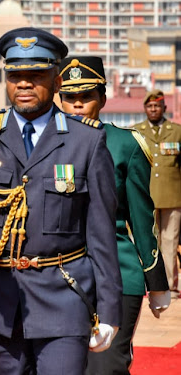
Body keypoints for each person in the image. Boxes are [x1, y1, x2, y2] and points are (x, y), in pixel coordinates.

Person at [0, 27, 122, 375]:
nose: (24, 83)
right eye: (15, 75)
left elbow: (101, 234)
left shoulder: (86, 140)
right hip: (0, 302)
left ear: (56, 81)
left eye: (35, 74)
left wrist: (109, 311)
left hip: (63, 297)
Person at [58, 56, 170, 374]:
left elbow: (141, 218)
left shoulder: (125, 145)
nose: (78, 104)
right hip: (55, 274)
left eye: (87, 96)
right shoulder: (42, 145)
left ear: (103, 99)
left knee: (106, 366)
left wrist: (156, 281)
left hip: (118, 273)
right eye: (70, 97)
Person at [134, 89, 181, 298]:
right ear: (145, 109)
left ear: (164, 108)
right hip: (145, 196)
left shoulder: (177, 131)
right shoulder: (137, 131)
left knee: (170, 241)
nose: (153, 109)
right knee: (147, 240)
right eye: (150, 106)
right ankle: (149, 283)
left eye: (157, 106)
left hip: (173, 195)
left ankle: (170, 285)